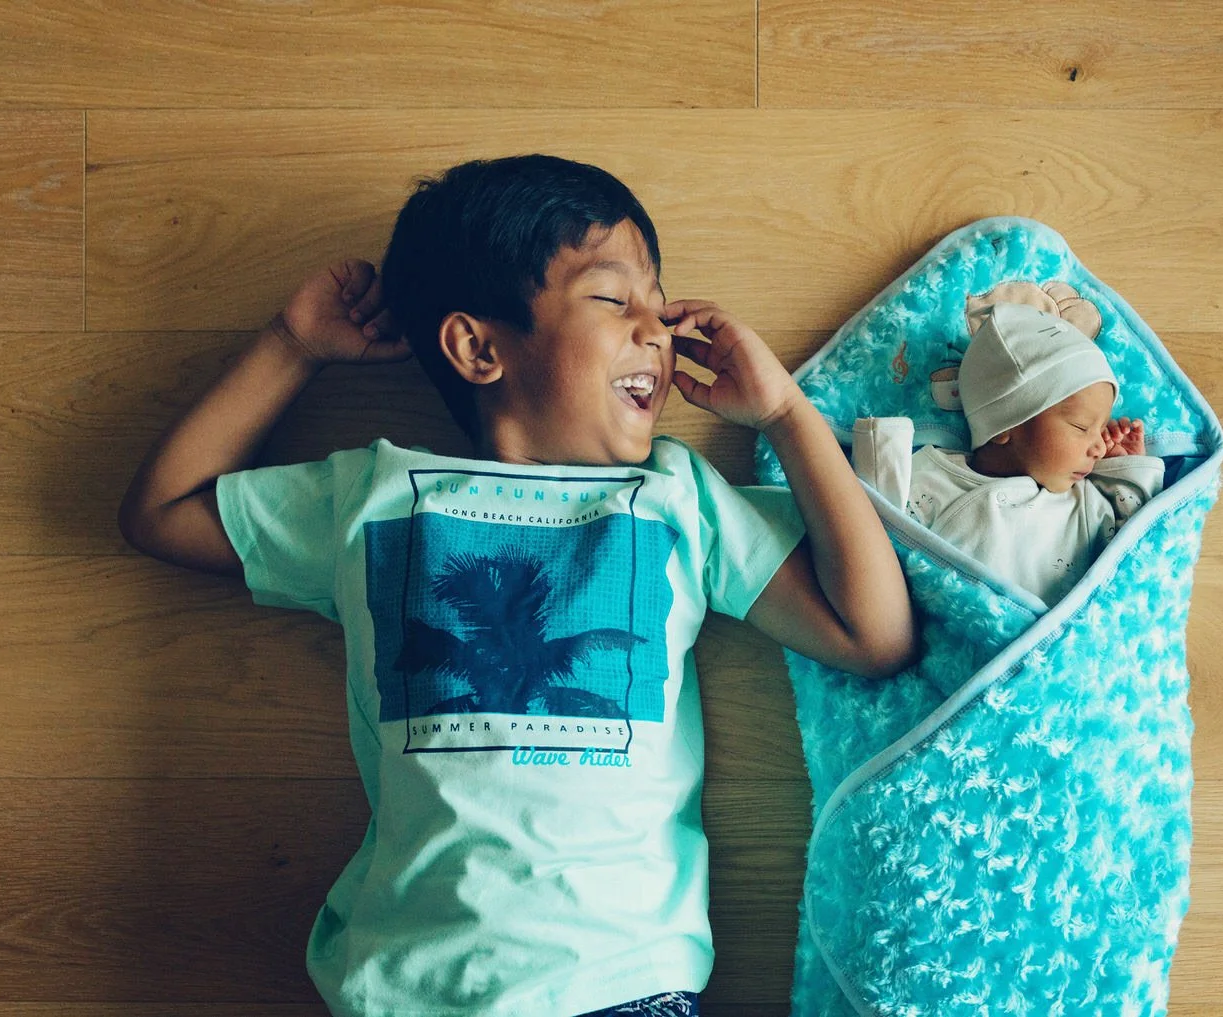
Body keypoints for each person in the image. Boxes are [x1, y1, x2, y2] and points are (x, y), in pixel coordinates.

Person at [117, 154, 916, 1017]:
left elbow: (874, 636)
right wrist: (292, 347)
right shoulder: (375, 495)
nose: (658, 329)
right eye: (615, 299)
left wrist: (785, 413)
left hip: (623, 980)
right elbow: (163, 511)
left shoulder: (680, 501)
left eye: (659, 303)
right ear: (478, 346)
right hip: (408, 985)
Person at [852, 301, 1164, 607]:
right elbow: (869, 549)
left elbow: (1138, 559)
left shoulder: (1086, 505)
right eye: (1082, 427)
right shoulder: (928, 478)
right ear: (1005, 425)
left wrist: (1126, 469)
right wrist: (880, 455)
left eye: (1100, 430)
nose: (1098, 448)